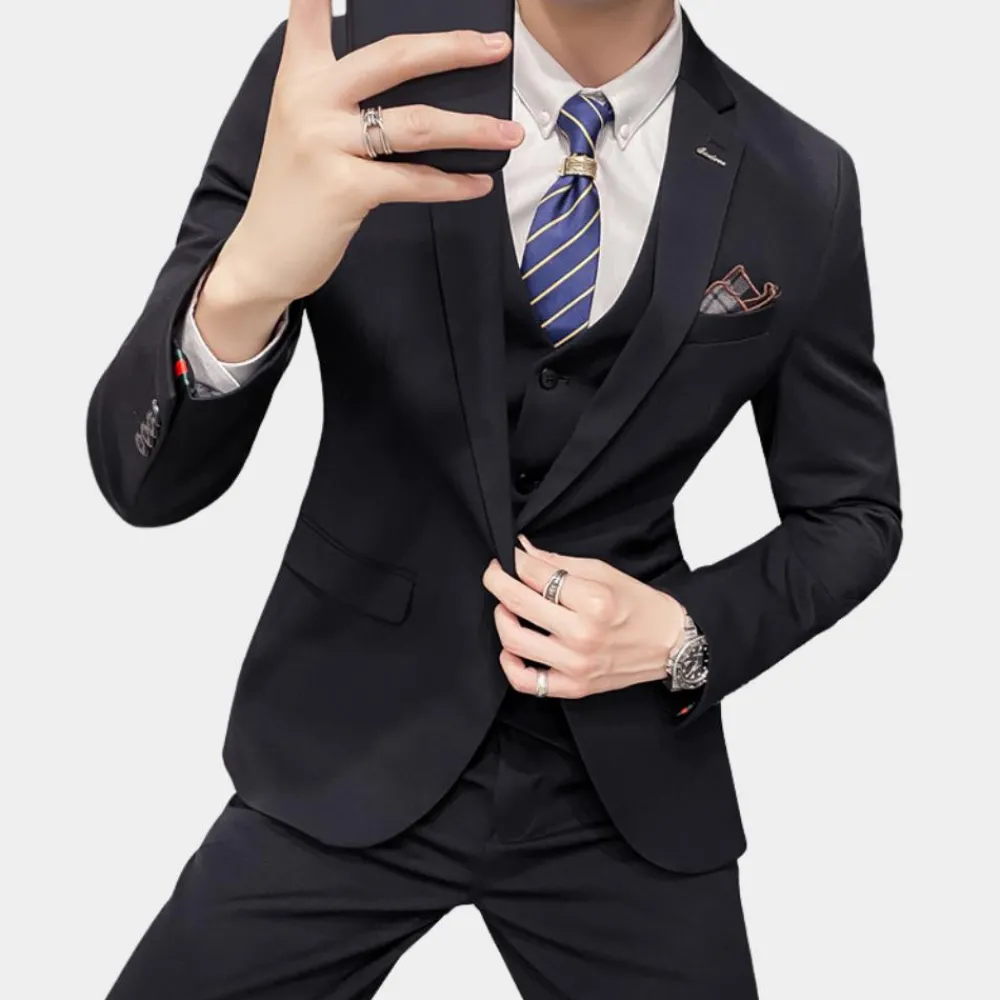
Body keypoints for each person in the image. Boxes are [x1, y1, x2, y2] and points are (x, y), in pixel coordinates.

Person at [87, 0, 902, 996]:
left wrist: (686, 635)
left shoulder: (800, 181)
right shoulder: (350, 74)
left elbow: (854, 514)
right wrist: (247, 281)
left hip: (625, 786)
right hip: (344, 738)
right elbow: (142, 479)